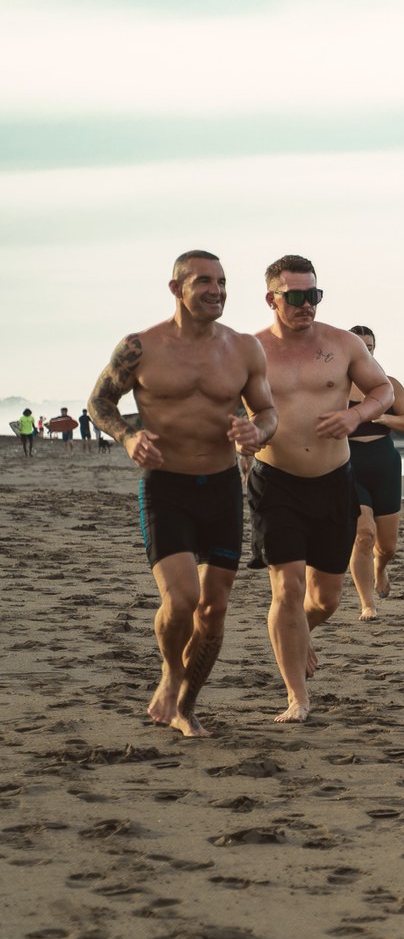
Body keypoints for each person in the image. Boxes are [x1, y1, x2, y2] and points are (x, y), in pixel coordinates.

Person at [86, 250, 277, 737]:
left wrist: (258, 434)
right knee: (182, 600)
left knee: (213, 612)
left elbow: (267, 412)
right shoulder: (141, 347)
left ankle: (186, 708)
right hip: (166, 487)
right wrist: (128, 436)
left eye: (222, 281)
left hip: (220, 488)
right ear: (177, 289)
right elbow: (98, 401)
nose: (216, 290)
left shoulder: (244, 349)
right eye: (203, 282)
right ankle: (171, 669)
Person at [252, 255, 393, 724]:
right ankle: (297, 696)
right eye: (294, 297)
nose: (305, 305)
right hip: (275, 483)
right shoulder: (249, 350)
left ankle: (299, 634)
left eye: (313, 295)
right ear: (272, 298)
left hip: (335, 483)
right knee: (287, 590)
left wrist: (355, 415)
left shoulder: (343, 343)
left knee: (325, 600)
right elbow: (221, 406)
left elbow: (383, 391)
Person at [345, 326, 404, 621]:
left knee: (387, 546)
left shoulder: (388, 384)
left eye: (370, 346)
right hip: (349, 464)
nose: (366, 351)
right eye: (360, 346)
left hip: (385, 462)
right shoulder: (334, 385)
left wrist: (383, 416)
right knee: (363, 535)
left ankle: (380, 568)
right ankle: (368, 603)